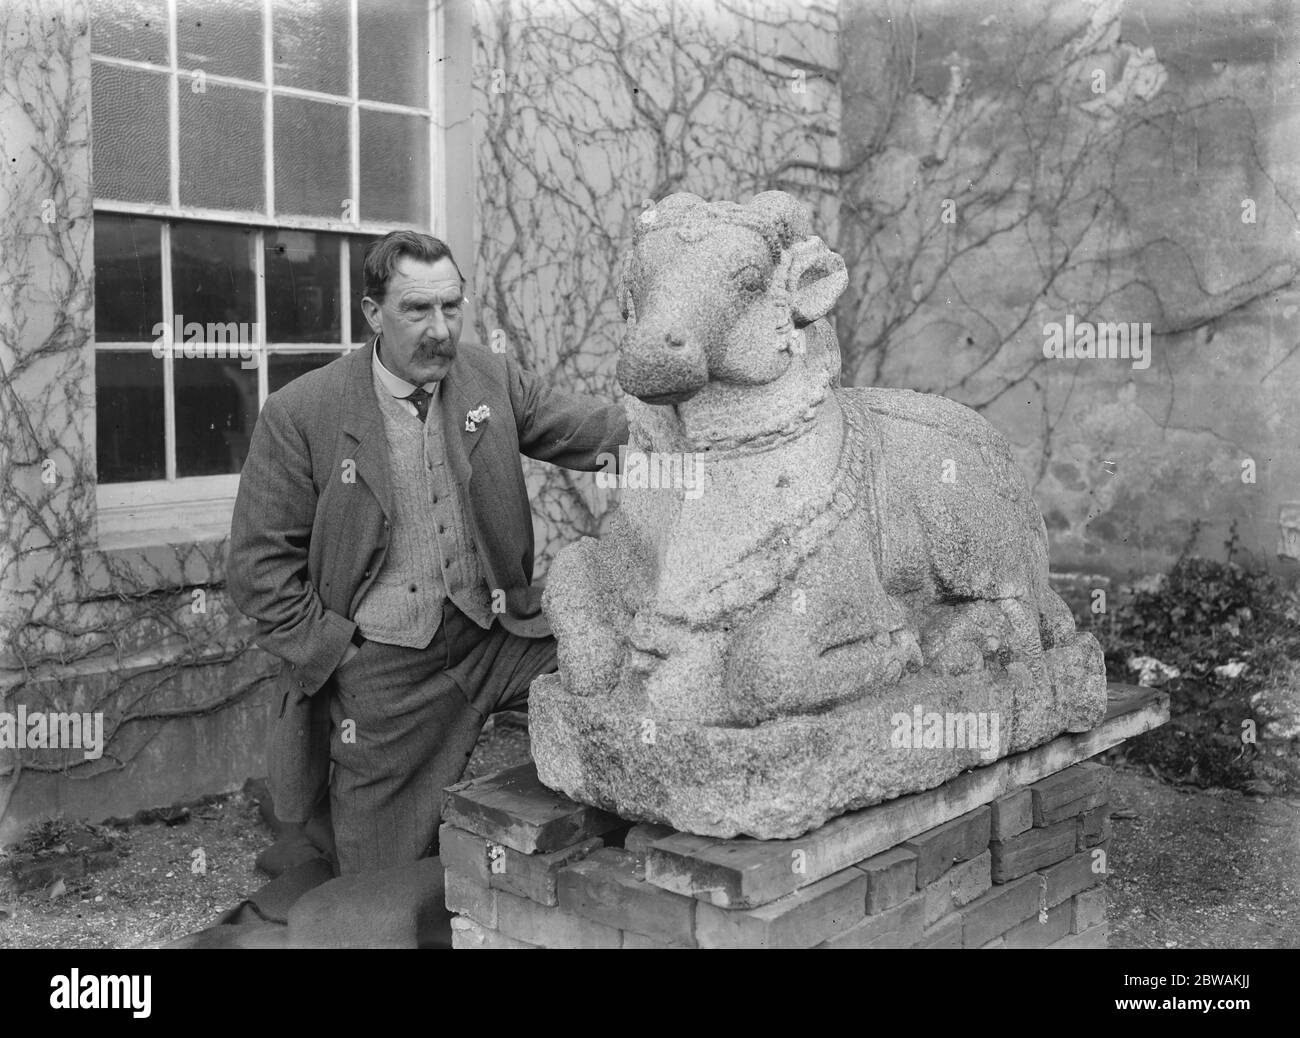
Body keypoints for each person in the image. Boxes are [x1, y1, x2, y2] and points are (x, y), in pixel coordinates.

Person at [227, 230, 628, 879]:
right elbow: (256, 568)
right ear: (372, 313)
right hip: (387, 670)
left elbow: (591, 433)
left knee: (624, 662)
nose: (440, 329)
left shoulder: (488, 377)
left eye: (451, 306)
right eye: (417, 310)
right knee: (375, 882)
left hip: (500, 633)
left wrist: (699, 432)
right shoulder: (302, 414)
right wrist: (341, 654)